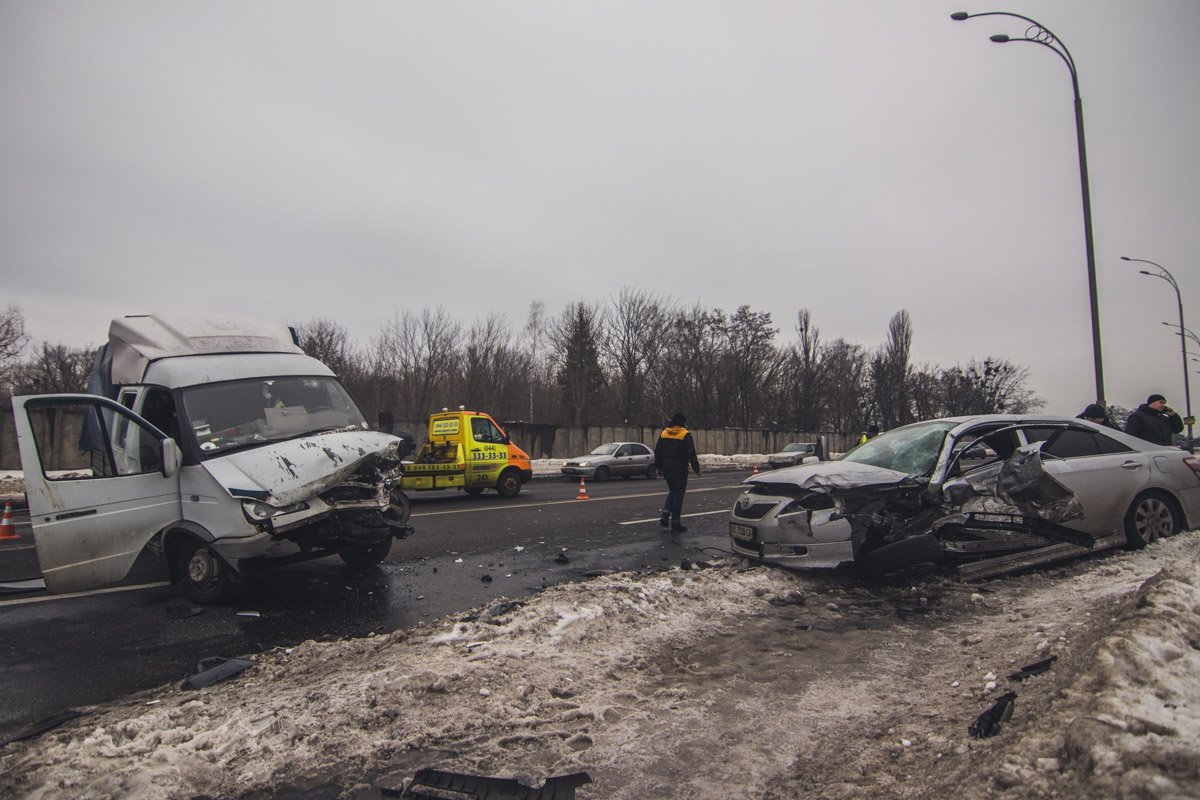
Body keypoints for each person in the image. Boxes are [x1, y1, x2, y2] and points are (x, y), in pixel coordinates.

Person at [655, 411, 700, 533]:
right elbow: (691, 453)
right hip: (680, 470)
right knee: (678, 496)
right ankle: (675, 523)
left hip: (667, 470)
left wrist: (659, 467)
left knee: (672, 492)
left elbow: (657, 451)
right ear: (682, 423)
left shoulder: (664, 433)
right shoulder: (685, 434)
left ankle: (665, 514)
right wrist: (696, 468)